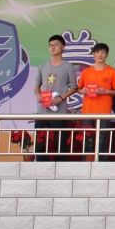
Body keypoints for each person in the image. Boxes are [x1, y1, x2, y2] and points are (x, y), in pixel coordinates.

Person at [33, 34, 80, 162]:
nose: (53, 47)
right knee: (40, 142)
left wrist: (61, 98)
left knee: (60, 143)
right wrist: (38, 95)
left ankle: (61, 168)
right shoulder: (42, 66)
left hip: (60, 112)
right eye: (51, 45)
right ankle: (41, 167)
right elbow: (36, 87)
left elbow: (74, 87)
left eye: (56, 45)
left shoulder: (68, 67)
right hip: (42, 111)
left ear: (63, 47)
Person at [77, 42, 115, 161]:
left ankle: (102, 163)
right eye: (97, 52)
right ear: (93, 54)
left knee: (103, 137)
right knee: (87, 137)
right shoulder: (86, 71)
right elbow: (79, 89)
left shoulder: (112, 72)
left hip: (104, 111)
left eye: (103, 52)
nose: (100, 55)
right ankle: (87, 163)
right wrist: (83, 91)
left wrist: (106, 91)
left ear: (107, 55)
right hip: (87, 111)